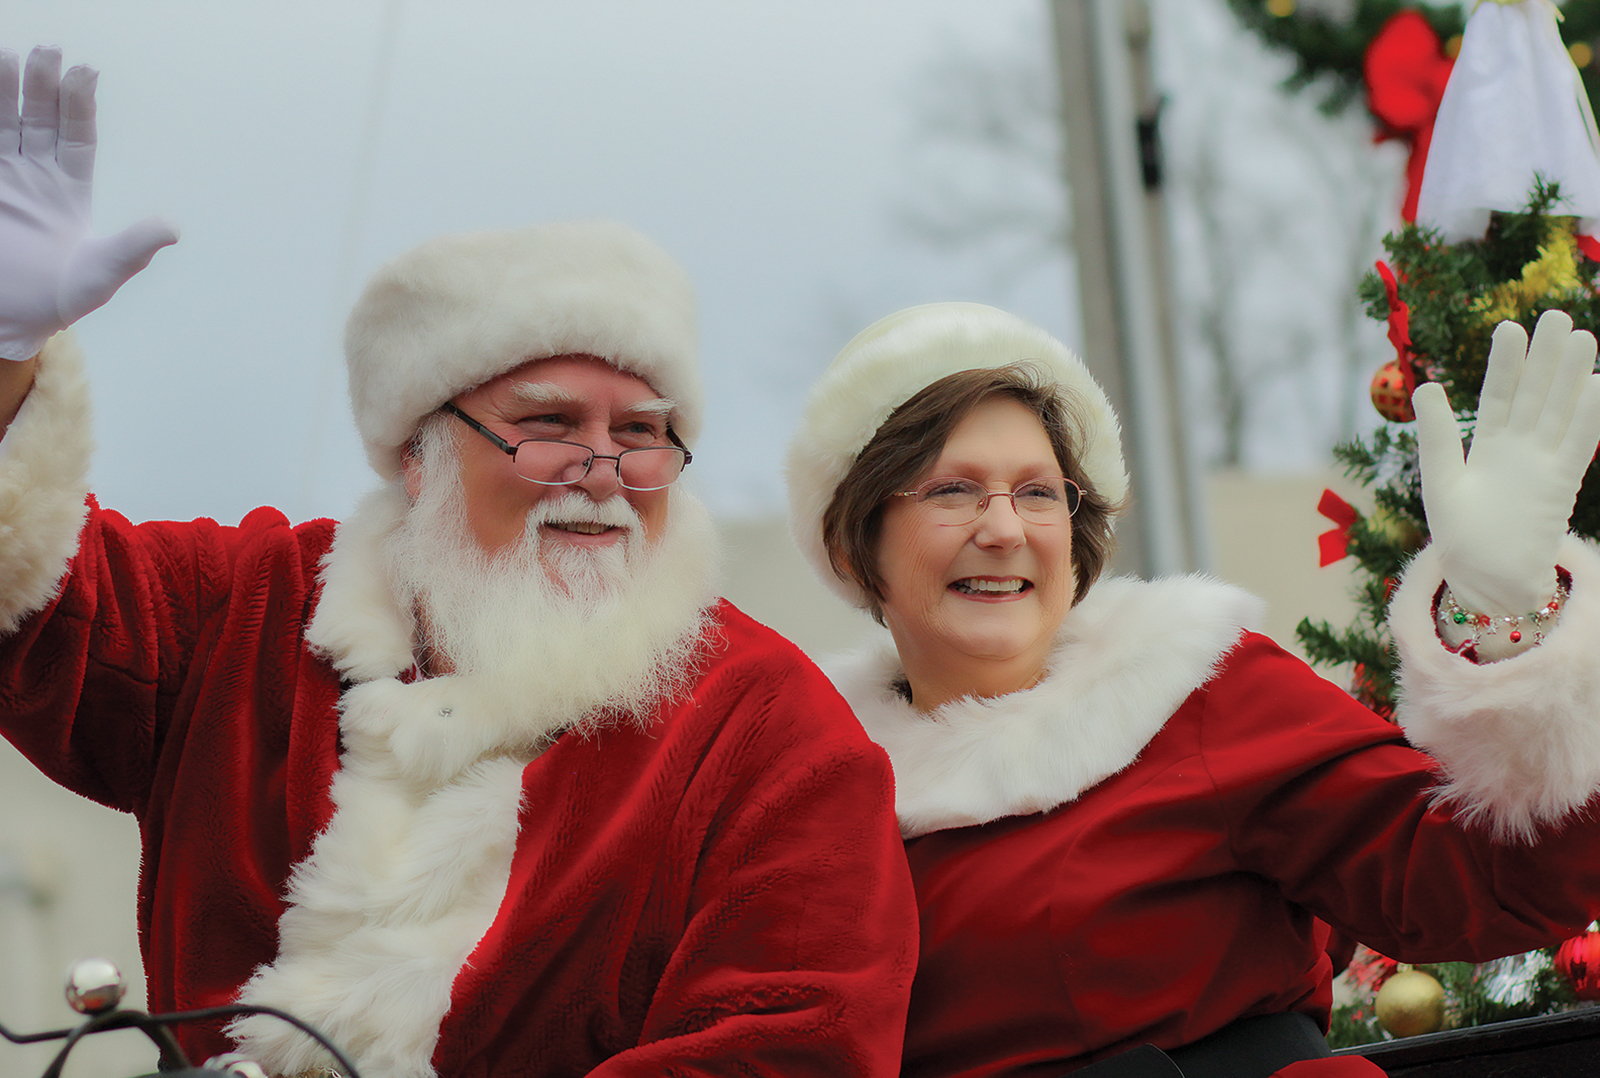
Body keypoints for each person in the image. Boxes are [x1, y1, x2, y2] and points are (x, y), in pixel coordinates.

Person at [0, 46, 918, 1078]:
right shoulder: (247, 609)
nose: (604, 472)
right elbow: (29, 588)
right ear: (419, 457)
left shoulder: (769, 731)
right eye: (549, 424)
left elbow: (801, 1043)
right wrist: (5, 357)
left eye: (645, 432)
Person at [783, 300, 1600, 1078]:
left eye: (1037, 492)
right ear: (857, 545)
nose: (1002, 530)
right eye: (951, 490)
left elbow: (1482, 879)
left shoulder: (1197, 689)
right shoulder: (809, 799)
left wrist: (1506, 619)